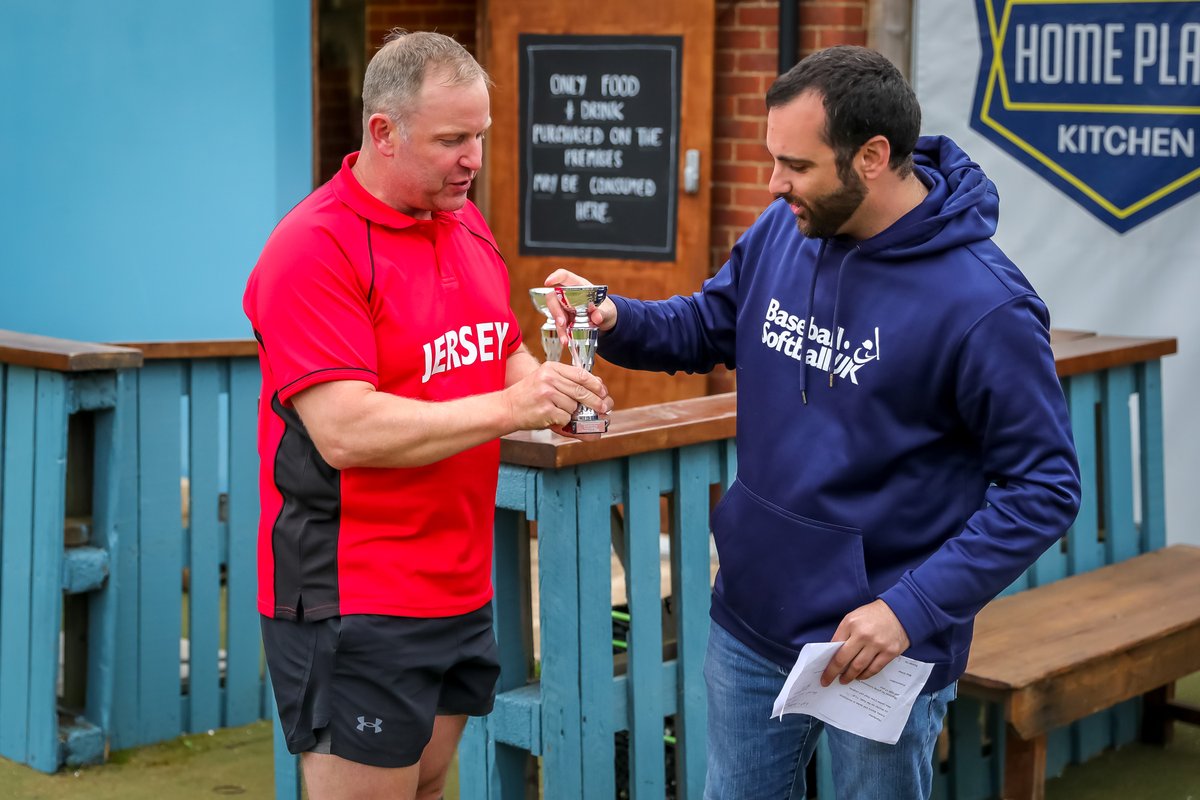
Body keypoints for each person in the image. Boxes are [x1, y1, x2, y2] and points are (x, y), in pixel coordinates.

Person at [546, 45, 1080, 799]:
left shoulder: (986, 306)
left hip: (879, 647)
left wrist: (908, 611)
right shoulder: (783, 229)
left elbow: (1044, 489)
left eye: (795, 165)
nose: (774, 183)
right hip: (749, 617)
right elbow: (712, 322)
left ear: (871, 156)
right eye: (773, 160)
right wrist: (616, 316)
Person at [243, 30, 612, 800]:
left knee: (428, 784)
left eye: (478, 135)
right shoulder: (313, 249)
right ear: (384, 131)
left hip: (459, 579)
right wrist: (513, 404)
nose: (472, 158)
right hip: (355, 592)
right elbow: (344, 430)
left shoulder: (462, 220)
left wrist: (553, 390)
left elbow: (499, 349)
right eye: (451, 139)